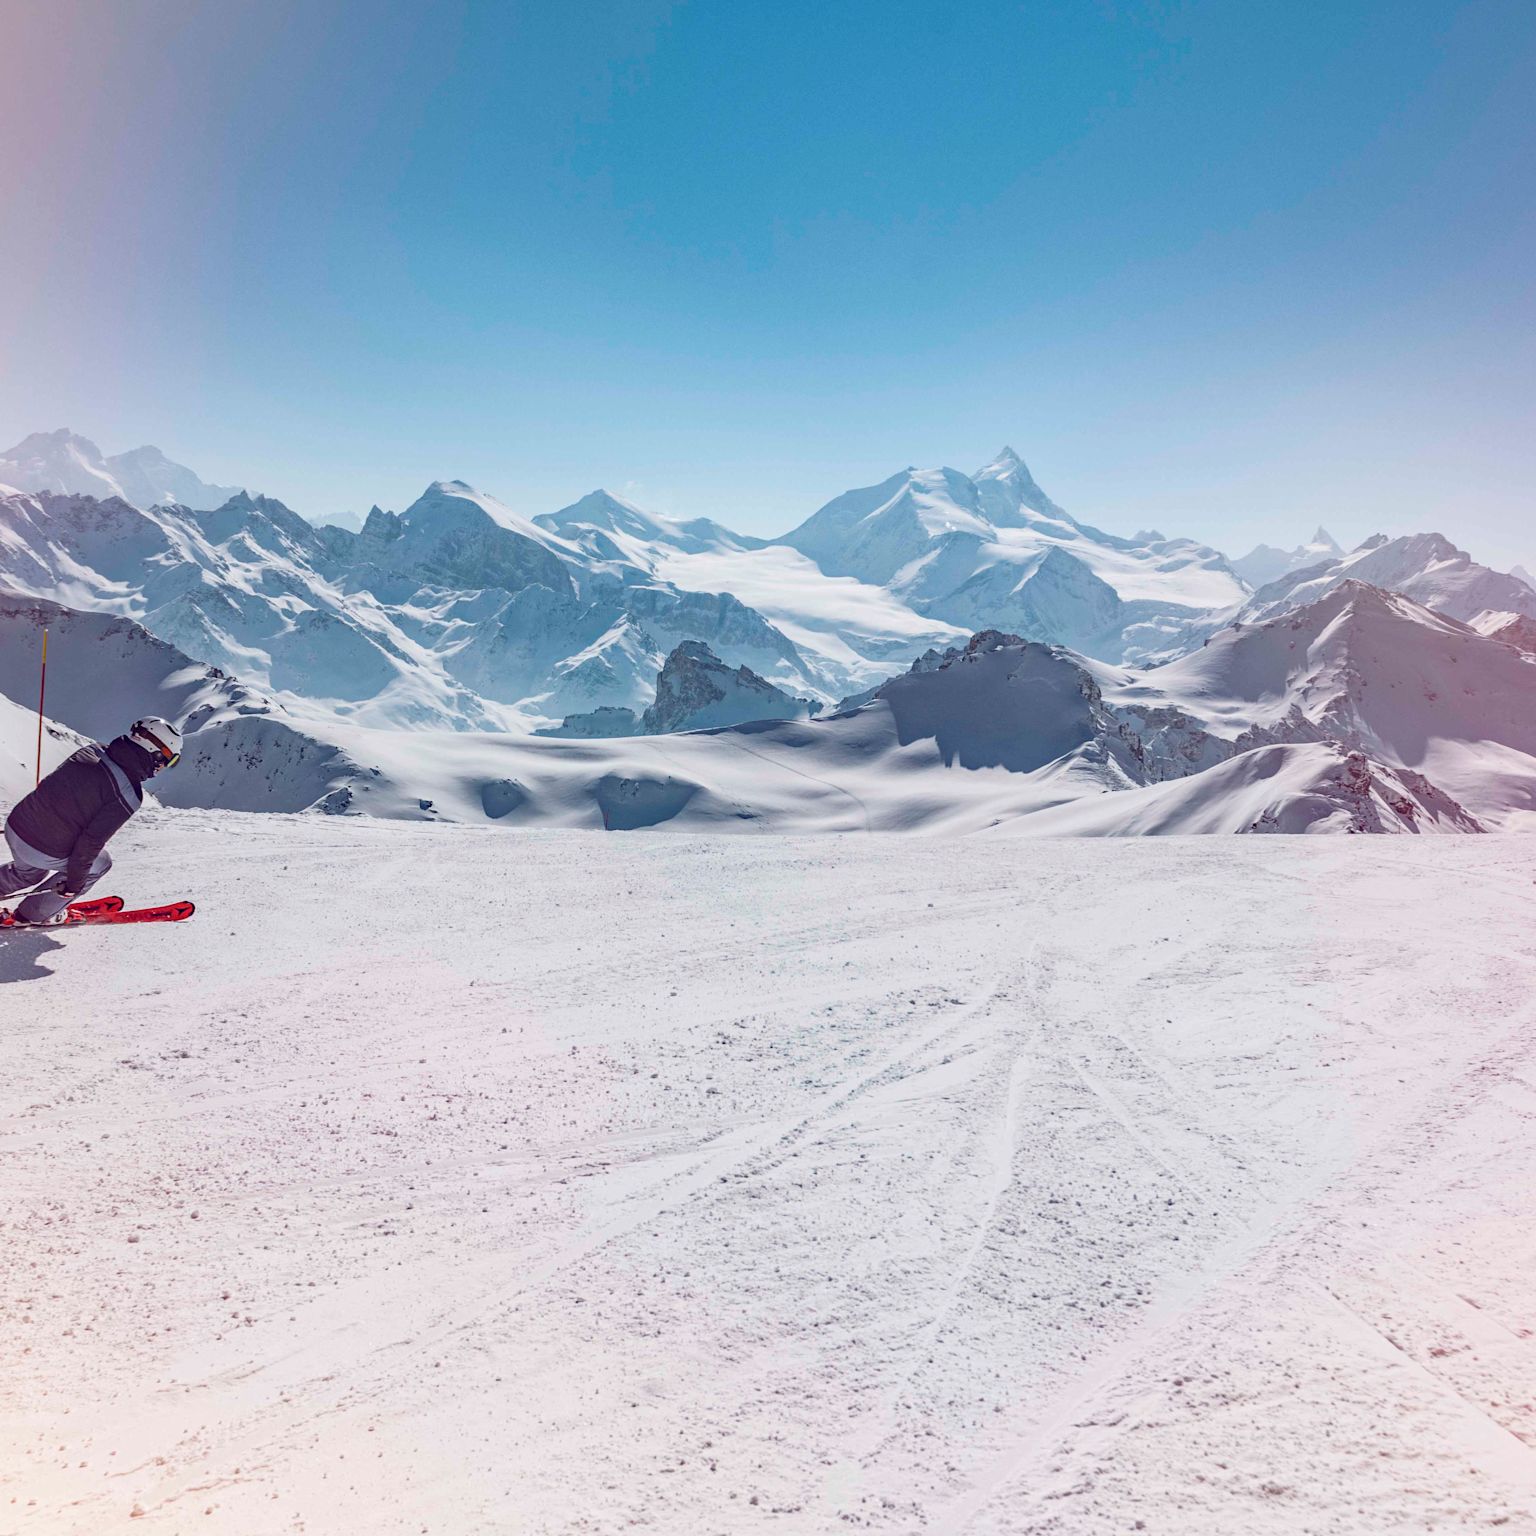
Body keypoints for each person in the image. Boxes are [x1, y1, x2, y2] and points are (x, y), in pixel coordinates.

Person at [0, 717, 182, 927]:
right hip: (41, 849)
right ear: (155, 752)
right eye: (169, 759)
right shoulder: (129, 795)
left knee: (29, 872)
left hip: (16, 826)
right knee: (101, 863)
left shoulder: (92, 750)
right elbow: (90, 843)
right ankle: (34, 913)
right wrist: (73, 885)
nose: (164, 766)